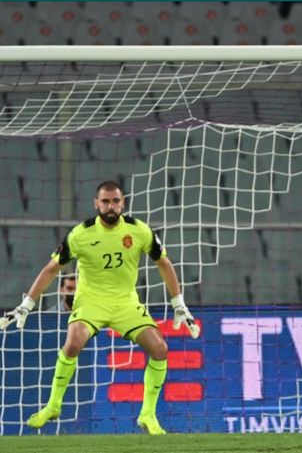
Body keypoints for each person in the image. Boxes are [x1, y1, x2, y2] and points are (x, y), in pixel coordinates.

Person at [0, 181, 200, 435]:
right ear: (96, 204)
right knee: (73, 343)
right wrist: (27, 304)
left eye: (115, 201)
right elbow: (51, 268)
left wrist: (178, 302)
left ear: (123, 202)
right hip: (91, 302)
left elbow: (164, 263)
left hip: (125, 303)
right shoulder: (80, 234)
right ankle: (53, 406)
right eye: (105, 201)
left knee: (160, 349)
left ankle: (148, 415)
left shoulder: (139, 230)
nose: (110, 206)